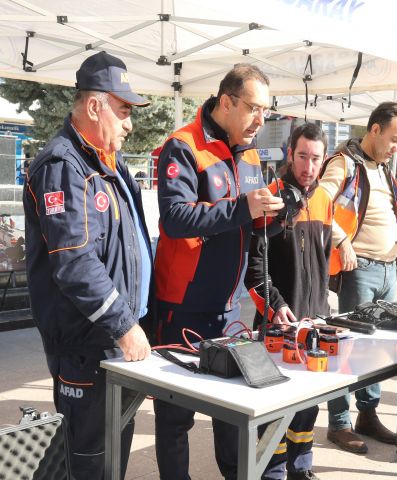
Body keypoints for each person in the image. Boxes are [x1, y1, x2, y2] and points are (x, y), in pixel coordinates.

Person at [23, 51, 153, 480]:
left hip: (112, 338)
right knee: (91, 461)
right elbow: (75, 263)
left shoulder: (107, 164)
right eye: (123, 110)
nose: (129, 123)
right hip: (88, 345)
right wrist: (124, 325)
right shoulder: (64, 165)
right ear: (95, 105)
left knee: (114, 451)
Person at [152, 63, 283, 480]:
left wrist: (274, 217)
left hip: (228, 309)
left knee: (231, 410)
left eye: (267, 111)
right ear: (226, 102)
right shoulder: (183, 146)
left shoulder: (247, 152)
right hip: (182, 306)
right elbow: (175, 217)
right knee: (176, 415)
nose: (261, 120)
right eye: (254, 109)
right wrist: (246, 208)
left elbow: (244, 224)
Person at [319, 101, 397, 454]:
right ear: (374, 130)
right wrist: (341, 239)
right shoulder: (344, 163)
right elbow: (319, 203)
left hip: (387, 269)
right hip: (360, 270)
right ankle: (339, 423)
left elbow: (380, 217)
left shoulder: (383, 170)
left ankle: (367, 415)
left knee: (378, 351)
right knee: (350, 348)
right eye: (393, 139)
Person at [245, 123, 331, 480]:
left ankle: (301, 465)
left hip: (314, 322)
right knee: (276, 407)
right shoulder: (271, 197)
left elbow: (323, 262)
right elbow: (254, 270)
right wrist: (276, 304)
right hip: (277, 324)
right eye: (301, 156)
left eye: (315, 158)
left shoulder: (324, 200)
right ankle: (273, 471)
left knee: (309, 403)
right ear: (289, 154)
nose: (308, 166)